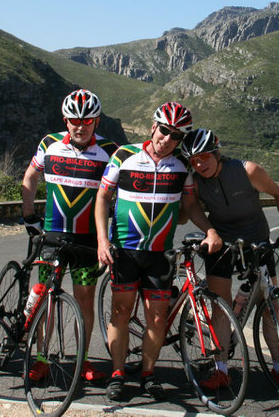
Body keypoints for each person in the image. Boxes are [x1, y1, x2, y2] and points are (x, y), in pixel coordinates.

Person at [95, 102, 221, 402]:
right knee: (121, 313)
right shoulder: (124, 156)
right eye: (164, 130)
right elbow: (102, 197)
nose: (167, 139)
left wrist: (210, 230)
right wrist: (102, 240)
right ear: (153, 127)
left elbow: (190, 205)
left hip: (160, 253)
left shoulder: (181, 165)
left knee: (156, 319)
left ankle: (149, 374)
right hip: (125, 249)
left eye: (176, 136)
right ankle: (117, 373)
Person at [180, 128, 279, 392]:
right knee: (221, 306)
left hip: (258, 242)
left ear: (217, 153)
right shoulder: (196, 180)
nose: (199, 164)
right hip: (222, 245)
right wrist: (211, 231)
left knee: (269, 306)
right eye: (193, 160)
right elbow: (192, 207)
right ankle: (221, 370)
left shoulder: (248, 170)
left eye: (204, 157)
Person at [20, 89, 118, 383]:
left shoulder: (111, 150)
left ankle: (83, 359)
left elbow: (123, 193)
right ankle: (41, 358)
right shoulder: (49, 144)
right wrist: (28, 218)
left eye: (87, 120)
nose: (80, 125)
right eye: (74, 120)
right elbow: (30, 176)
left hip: (87, 241)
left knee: (84, 302)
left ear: (96, 121)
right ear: (66, 120)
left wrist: (110, 236)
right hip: (52, 237)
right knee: (45, 299)